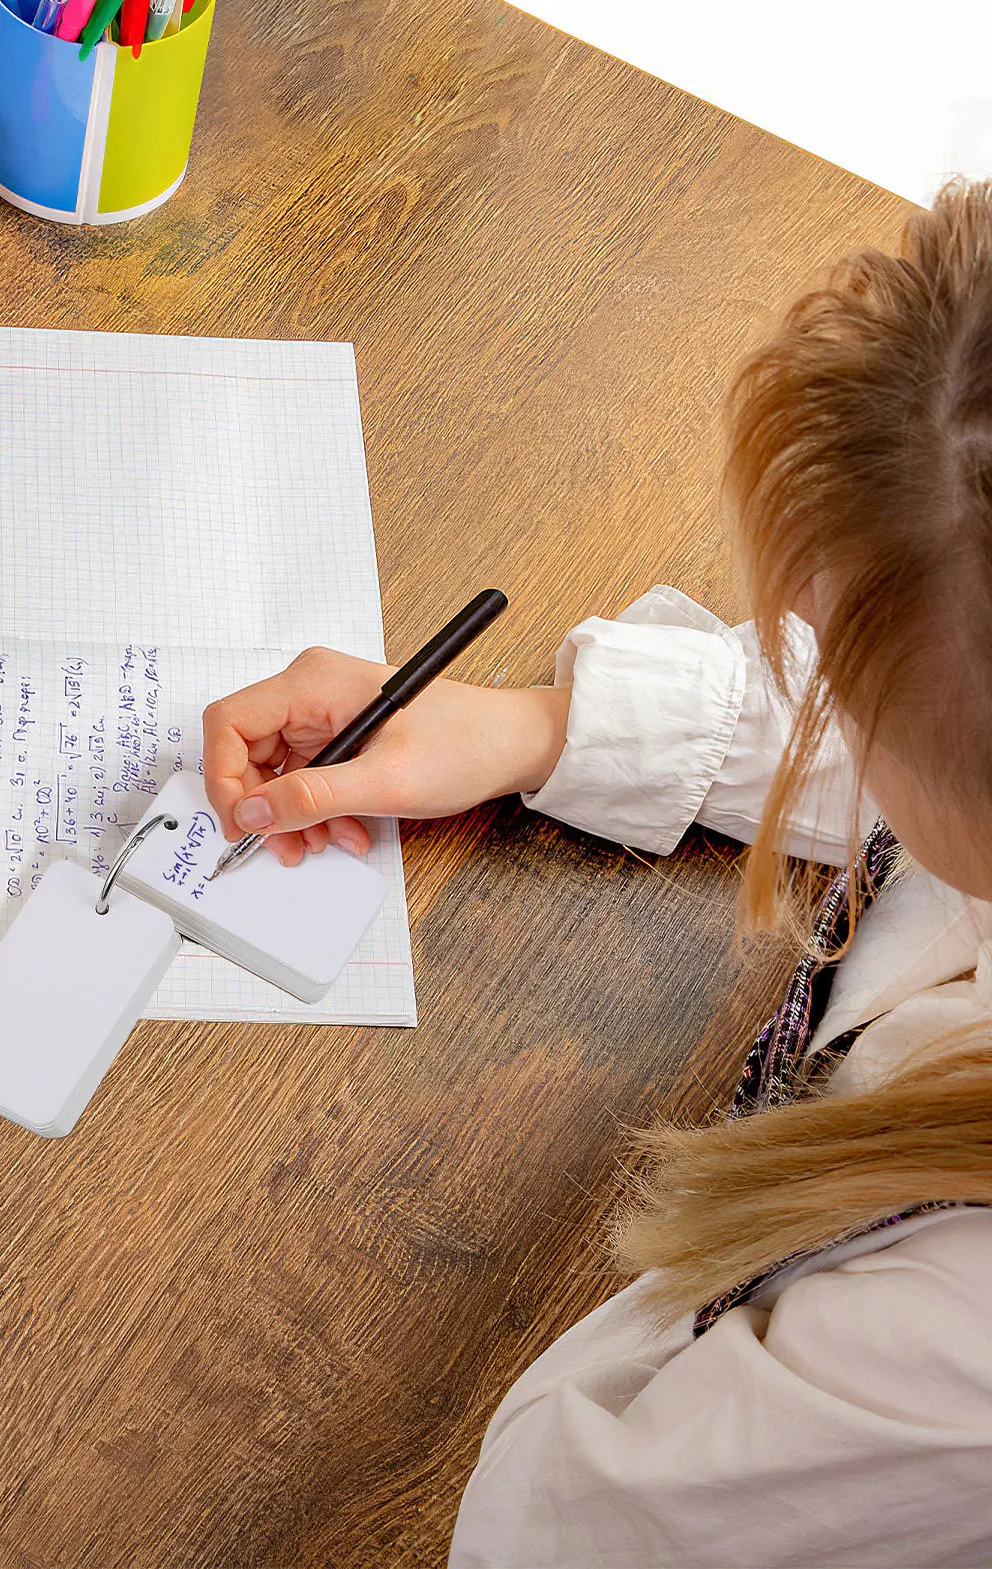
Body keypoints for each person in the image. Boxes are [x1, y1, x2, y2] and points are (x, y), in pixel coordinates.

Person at [200, 182, 992, 1567]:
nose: (814, 702)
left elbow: (560, 1522)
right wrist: (528, 727)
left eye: (840, 691)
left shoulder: (943, 1337)